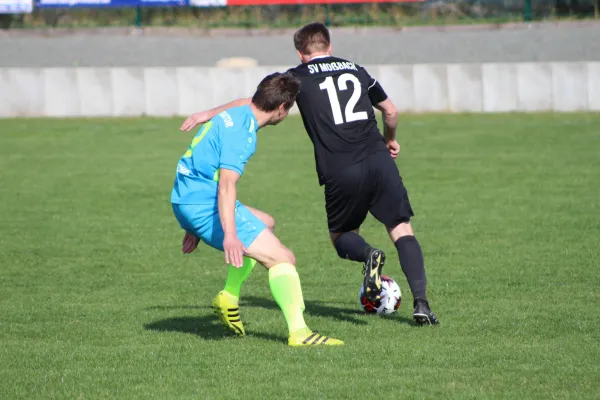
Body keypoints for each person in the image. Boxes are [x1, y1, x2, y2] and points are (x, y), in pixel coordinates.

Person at [180, 23, 439, 326]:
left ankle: (368, 253)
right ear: (329, 46)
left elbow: (255, 104)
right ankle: (421, 303)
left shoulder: (299, 76)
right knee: (401, 228)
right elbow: (390, 111)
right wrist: (390, 139)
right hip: (379, 159)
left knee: (342, 235)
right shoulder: (357, 70)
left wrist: (208, 113)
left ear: (301, 54)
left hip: (340, 168)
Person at [172, 72, 343, 346]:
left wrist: (207, 113)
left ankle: (228, 295)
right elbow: (227, 186)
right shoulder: (242, 135)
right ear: (281, 109)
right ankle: (300, 333)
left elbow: (240, 102)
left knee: (266, 222)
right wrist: (229, 234)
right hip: (203, 203)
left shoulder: (241, 111)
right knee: (283, 258)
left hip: (186, 198)